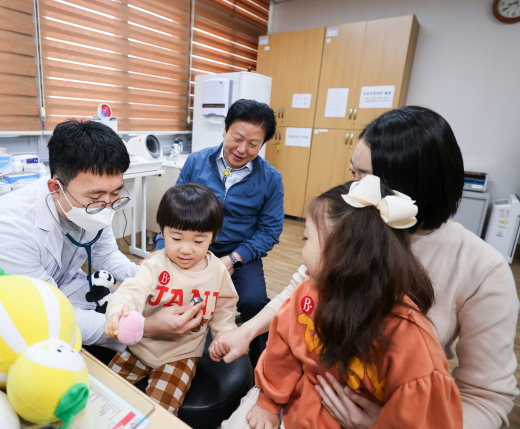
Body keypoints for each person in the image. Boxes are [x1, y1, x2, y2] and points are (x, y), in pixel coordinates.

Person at [215, 106, 520, 429]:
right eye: (352, 174)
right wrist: (247, 335)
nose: (353, 190)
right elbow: (299, 296)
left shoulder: (482, 269)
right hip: (297, 391)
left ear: (406, 186)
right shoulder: (348, 228)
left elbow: (485, 397)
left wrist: (389, 422)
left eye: (363, 178)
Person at [0, 119, 204, 350]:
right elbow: (45, 312)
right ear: (56, 188)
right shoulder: (7, 229)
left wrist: (154, 280)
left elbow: (107, 256)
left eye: (115, 193)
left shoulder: (93, 203)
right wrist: (147, 326)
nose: (107, 206)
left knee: (131, 310)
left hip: (50, 284)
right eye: (96, 197)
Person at [223, 176, 463, 429]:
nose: (303, 251)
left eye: (307, 239)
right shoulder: (307, 293)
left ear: (343, 255)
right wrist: (269, 402)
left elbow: (423, 415)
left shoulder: (410, 341)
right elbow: (283, 350)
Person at [156, 99, 283, 367]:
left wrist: (235, 258)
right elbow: (173, 211)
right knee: (167, 291)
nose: (242, 149)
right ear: (225, 130)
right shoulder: (197, 162)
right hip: (195, 244)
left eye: (253, 144)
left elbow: (270, 230)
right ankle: (180, 348)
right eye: (237, 138)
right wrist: (160, 252)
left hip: (240, 250)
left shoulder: (271, 178)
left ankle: (258, 363)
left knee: (254, 300)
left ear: (262, 144)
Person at [104, 184, 238, 415]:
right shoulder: (155, 265)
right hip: (139, 347)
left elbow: (225, 308)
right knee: (104, 393)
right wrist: (118, 310)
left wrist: (224, 336)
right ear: (162, 232)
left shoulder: (218, 272)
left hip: (181, 356)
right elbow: (132, 290)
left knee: (161, 412)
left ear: (213, 237)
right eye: (176, 238)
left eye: (198, 241)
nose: (186, 249)